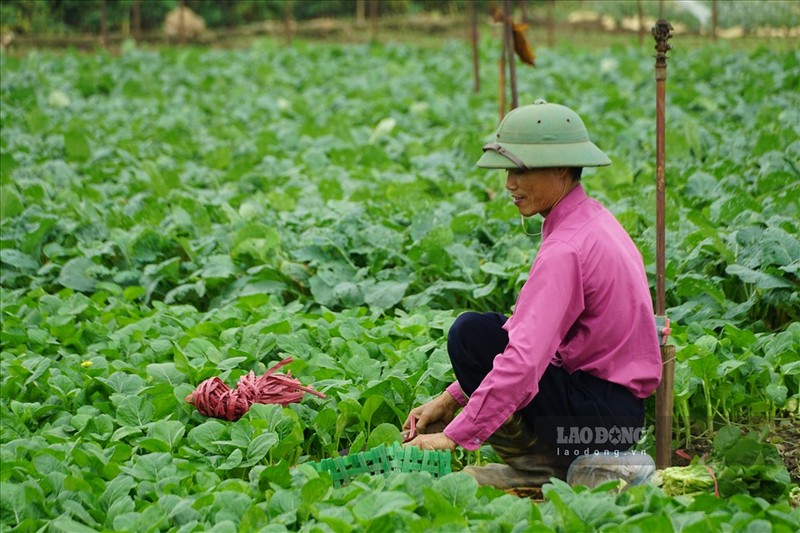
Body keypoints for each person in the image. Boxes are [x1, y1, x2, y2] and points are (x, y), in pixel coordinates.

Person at [404, 100, 662, 489]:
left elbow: (525, 361)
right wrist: (450, 399)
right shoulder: (595, 221)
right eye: (509, 170)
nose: (509, 184)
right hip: (615, 421)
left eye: (521, 170)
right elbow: (530, 336)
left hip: (594, 434)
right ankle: (549, 465)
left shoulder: (566, 249)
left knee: (470, 336)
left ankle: (541, 470)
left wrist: (454, 434)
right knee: (487, 333)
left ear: (560, 168)